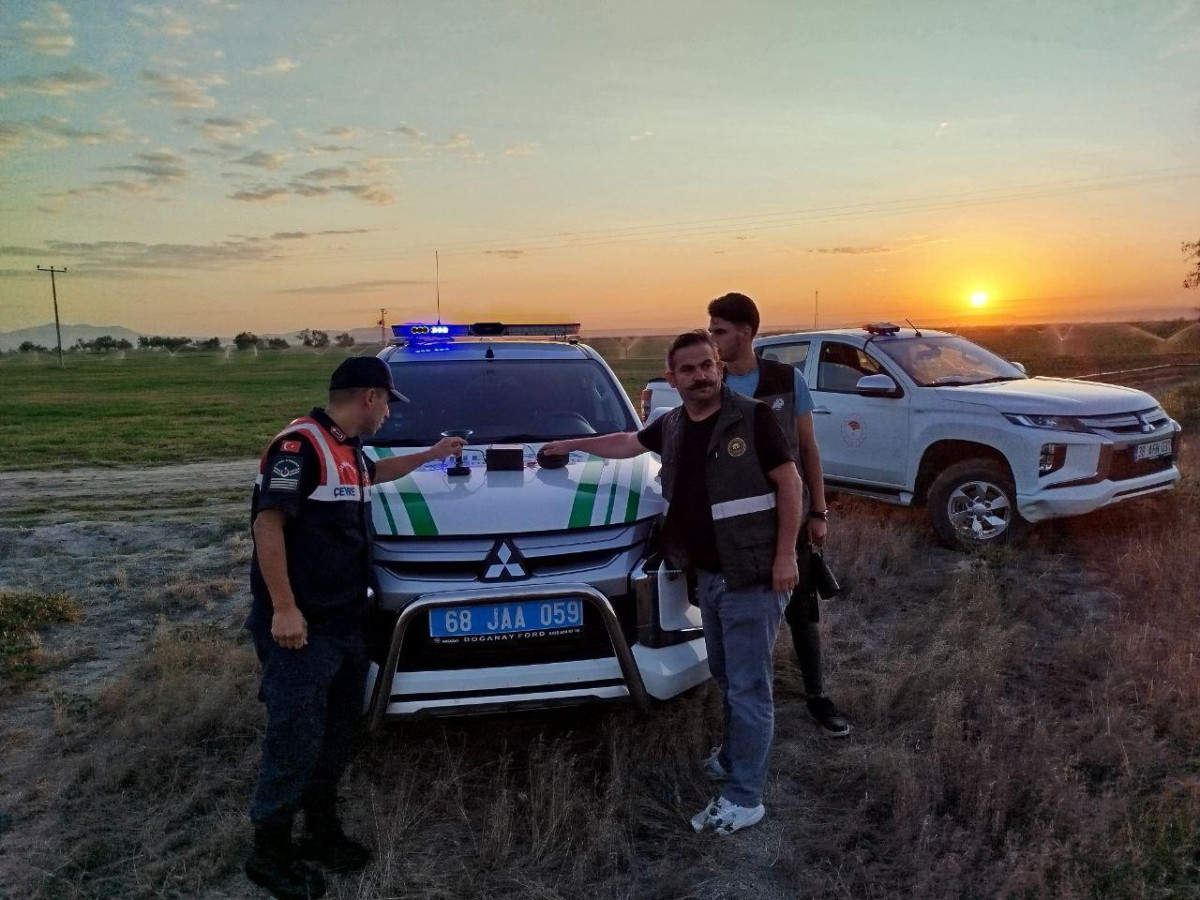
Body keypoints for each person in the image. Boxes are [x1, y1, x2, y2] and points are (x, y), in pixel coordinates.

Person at [543, 331, 801, 834]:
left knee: (749, 689)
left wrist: (787, 554)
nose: (701, 375)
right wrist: (571, 444)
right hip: (708, 578)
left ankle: (744, 797)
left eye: (708, 365)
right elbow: (624, 442)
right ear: (672, 378)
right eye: (689, 369)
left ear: (720, 369)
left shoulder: (752, 418)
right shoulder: (674, 425)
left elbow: (790, 483)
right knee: (727, 678)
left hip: (752, 575)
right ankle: (731, 758)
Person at [244, 356, 463, 900]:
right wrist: (284, 608)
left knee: (336, 736)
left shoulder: (346, 448)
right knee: (293, 740)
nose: (389, 413)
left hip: (345, 624)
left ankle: (320, 831)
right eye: (388, 402)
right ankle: (268, 852)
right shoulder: (300, 445)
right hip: (304, 628)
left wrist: (432, 455)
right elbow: (267, 525)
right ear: (369, 396)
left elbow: (376, 474)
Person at [706, 292, 851, 738]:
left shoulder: (787, 381)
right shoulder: (713, 385)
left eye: (720, 331)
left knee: (802, 612)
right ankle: (741, 705)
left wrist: (820, 511)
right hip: (733, 524)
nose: (713, 339)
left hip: (790, 516)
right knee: (741, 616)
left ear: (747, 332)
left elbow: (808, 449)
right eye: (711, 331)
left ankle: (817, 696)